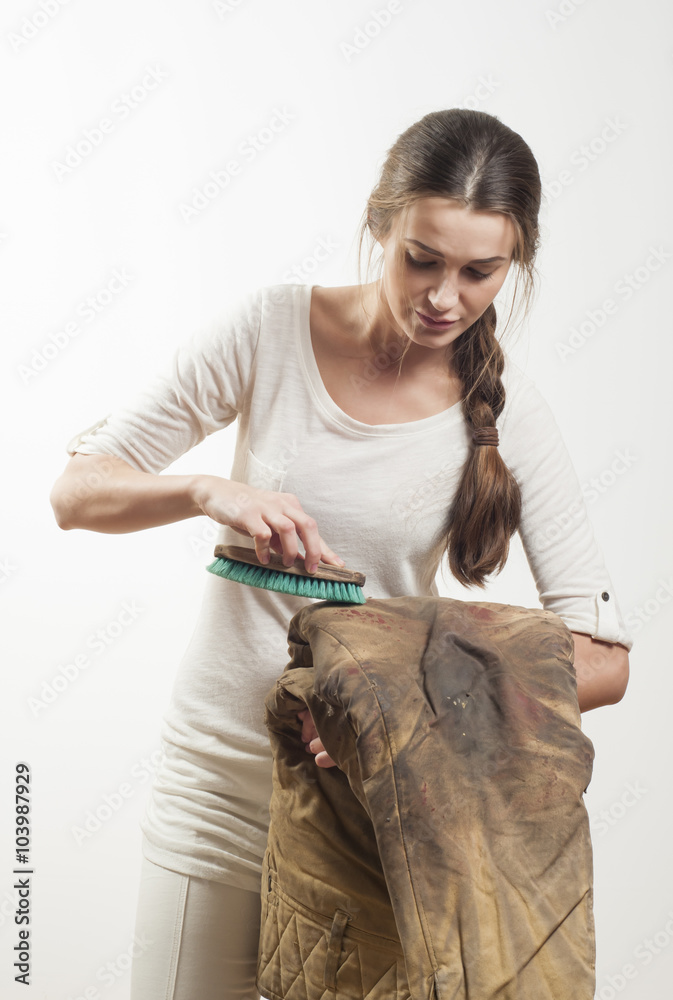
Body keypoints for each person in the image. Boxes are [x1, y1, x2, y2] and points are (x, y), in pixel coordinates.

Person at [49, 108, 632, 999]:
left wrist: (395, 709)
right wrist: (207, 491)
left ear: (514, 261)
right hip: (217, 783)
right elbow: (76, 494)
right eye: (421, 259)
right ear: (379, 224)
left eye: (479, 272)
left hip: (372, 814)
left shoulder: (509, 411)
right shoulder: (270, 329)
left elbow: (601, 658)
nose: (444, 298)